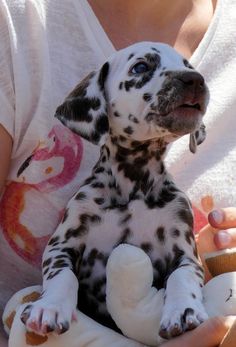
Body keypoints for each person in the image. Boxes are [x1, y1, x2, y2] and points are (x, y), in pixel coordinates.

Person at [0, 0, 236, 346]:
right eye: (143, 69)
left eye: (186, 72)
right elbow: (62, 251)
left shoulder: (172, 207)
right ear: (97, 106)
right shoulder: (16, 23)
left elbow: (185, 267)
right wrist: (57, 293)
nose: (188, 81)